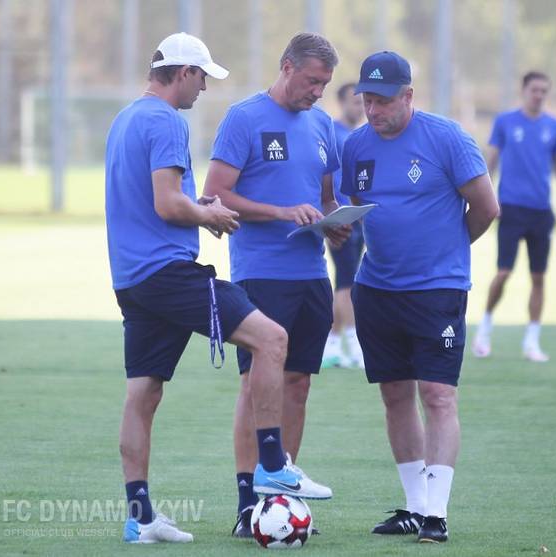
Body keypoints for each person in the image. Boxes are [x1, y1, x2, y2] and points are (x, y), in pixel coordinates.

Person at [105, 32, 331, 545]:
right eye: (202, 77)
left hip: (131, 278)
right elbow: (168, 203)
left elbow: (151, 199)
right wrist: (208, 215)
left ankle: (140, 518)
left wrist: (201, 210)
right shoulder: (167, 120)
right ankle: (272, 465)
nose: (204, 88)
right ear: (183, 72)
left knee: (143, 393)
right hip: (168, 272)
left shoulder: (126, 119)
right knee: (272, 339)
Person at [341, 51, 500, 544]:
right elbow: (356, 207)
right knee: (394, 395)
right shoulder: (355, 146)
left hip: (437, 290)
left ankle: (437, 512)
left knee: (437, 395)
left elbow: (486, 207)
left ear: (408, 95)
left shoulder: (447, 138)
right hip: (377, 289)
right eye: (367, 100)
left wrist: (447, 249)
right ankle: (413, 506)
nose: (373, 110)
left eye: (383, 101)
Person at [203, 32, 347, 538]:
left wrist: (335, 222)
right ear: (287, 67)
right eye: (312, 81)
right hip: (261, 272)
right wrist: (281, 212)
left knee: (298, 384)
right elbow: (215, 195)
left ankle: (281, 501)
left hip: (313, 274)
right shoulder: (244, 118)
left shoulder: (323, 124)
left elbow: (325, 199)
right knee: (254, 386)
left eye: (325, 84)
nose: (318, 92)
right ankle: (248, 506)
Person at [471, 71, 556, 362]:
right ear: (524, 91)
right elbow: (490, 164)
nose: (539, 95)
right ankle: (484, 330)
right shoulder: (505, 122)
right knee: (503, 273)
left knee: (538, 277)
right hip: (511, 208)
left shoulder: (554, 127)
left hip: (541, 212)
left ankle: (532, 341)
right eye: (535, 90)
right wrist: (485, 198)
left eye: (544, 90)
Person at [321, 82, 366, 369]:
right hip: (341, 217)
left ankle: (333, 345)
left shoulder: (360, 136)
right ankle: (355, 346)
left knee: (347, 281)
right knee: (347, 283)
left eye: (363, 102)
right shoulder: (333, 134)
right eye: (355, 102)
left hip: (359, 217)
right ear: (341, 103)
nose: (361, 108)